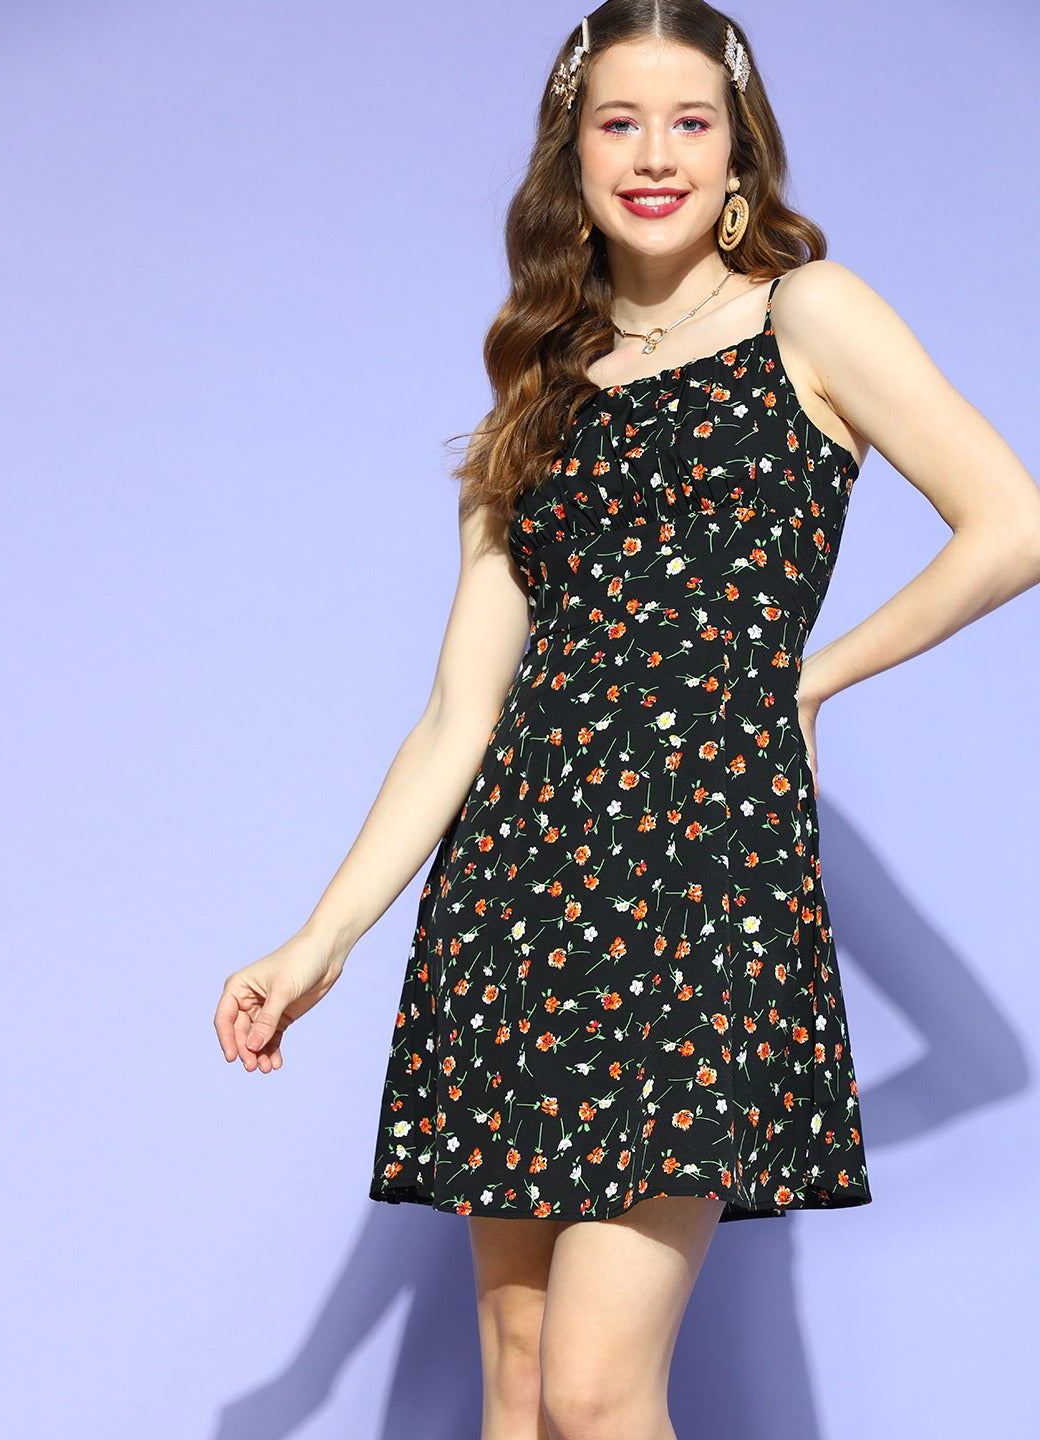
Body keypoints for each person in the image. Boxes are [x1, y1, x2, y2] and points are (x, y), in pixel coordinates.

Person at [214, 3, 1040, 1436]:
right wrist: (318, 942)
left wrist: (808, 677)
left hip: (700, 882)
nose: (655, 155)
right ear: (574, 153)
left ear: (738, 153)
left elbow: (1012, 525)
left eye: (689, 122)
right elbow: (459, 711)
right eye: (619, 122)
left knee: (599, 1394)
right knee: (521, 1372)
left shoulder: (808, 314)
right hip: (512, 890)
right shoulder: (535, 385)